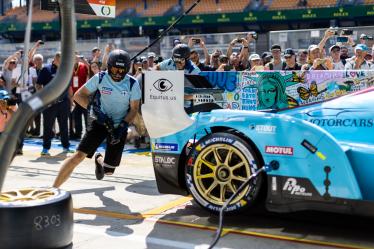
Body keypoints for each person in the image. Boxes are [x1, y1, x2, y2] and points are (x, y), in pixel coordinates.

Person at [53, 49, 141, 187]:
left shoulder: (132, 83)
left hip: (118, 126)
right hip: (100, 122)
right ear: (109, 66)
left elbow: (134, 108)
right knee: (78, 157)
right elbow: (78, 96)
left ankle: (98, 158)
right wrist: (94, 110)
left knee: (109, 171)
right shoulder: (100, 77)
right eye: (115, 69)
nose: (118, 74)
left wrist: (124, 125)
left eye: (121, 70)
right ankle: (53, 189)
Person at [37, 52, 73, 156]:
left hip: (64, 103)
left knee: (64, 126)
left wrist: (71, 101)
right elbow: (38, 85)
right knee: (48, 127)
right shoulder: (46, 69)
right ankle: (45, 148)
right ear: (56, 58)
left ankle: (66, 147)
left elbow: (69, 87)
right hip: (49, 104)